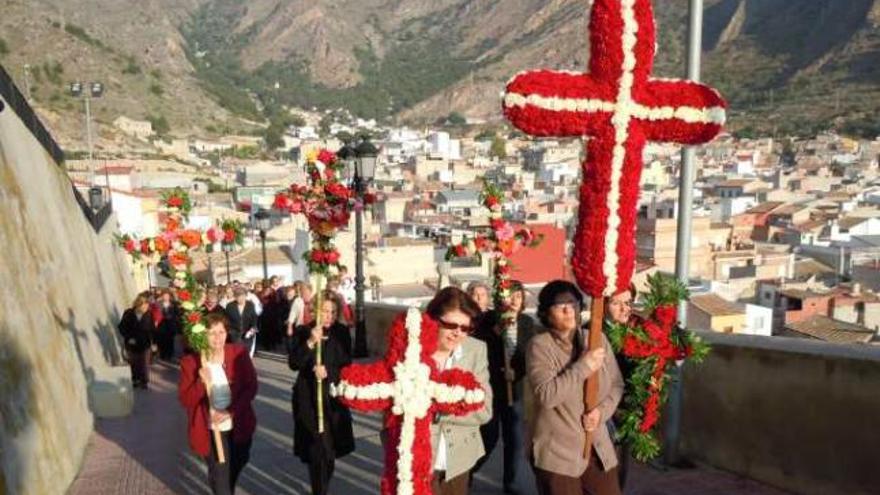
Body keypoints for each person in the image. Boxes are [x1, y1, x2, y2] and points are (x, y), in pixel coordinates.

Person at [526, 280, 624, 495]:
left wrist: (601, 413)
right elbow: (547, 396)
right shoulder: (540, 346)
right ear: (546, 313)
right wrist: (584, 366)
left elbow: (616, 385)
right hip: (559, 454)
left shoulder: (597, 340)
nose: (568, 310)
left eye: (573, 304)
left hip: (598, 448)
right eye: (560, 306)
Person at [179, 313, 258, 495]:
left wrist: (230, 412)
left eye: (221, 332)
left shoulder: (238, 353)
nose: (217, 337)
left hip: (239, 424)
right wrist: (200, 383)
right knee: (220, 478)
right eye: (212, 333)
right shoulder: (191, 362)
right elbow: (186, 400)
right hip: (211, 430)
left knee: (236, 466)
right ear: (203, 335)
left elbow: (251, 387)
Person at [425, 287, 493, 495]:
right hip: (417, 457)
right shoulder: (411, 348)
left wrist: (438, 409)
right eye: (450, 325)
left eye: (465, 328)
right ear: (435, 320)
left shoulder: (475, 350)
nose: (458, 333)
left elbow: (484, 410)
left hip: (459, 460)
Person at [471, 281, 536, 494]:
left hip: (513, 391)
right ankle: (467, 472)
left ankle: (511, 484)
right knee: (488, 437)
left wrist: (516, 372)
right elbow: (476, 347)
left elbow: (528, 356)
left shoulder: (527, 323)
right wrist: (495, 332)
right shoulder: (489, 320)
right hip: (490, 390)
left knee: (514, 441)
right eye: (511, 296)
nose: (515, 301)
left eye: (519, 297)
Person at [288, 292, 355, 495]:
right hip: (309, 399)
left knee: (330, 453)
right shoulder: (303, 332)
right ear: (316, 310)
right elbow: (294, 363)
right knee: (317, 451)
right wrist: (310, 342)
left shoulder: (341, 333)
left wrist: (328, 372)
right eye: (325, 311)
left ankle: (321, 487)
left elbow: (347, 364)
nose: (329, 316)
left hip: (332, 398)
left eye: (333, 312)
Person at [603, 286, 636, 489]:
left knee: (622, 466)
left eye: (628, 302)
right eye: (617, 303)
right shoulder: (593, 332)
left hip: (628, 409)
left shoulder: (636, 331)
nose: (625, 309)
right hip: (603, 411)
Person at [118, 293, 156, 389]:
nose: (147, 307)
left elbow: (152, 329)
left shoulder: (149, 314)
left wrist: (154, 343)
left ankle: (144, 381)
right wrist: (129, 337)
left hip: (145, 343)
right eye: (145, 305)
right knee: (134, 363)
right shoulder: (128, 313)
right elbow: (121, 327)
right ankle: (135, 379)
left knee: (145, 363)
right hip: (132, 343)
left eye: (148, 305)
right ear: (139, 304)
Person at [225, 288, 259, 355]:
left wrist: (252, 328)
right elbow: (226, 320)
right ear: (235, 297)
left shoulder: (250, 305)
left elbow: (254, 318)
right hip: (234, 334)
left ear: (246, 296)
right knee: (235, 353)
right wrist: (230, 331)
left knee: (246, 353)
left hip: (248, 334)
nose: (240, 299)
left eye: (242, 297)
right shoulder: (230, 306)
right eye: (237, 297)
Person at [157, 289, 182, 361]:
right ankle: (163, 355)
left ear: (169, 296)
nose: (166, 297)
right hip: (161, 324)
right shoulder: (158, 304)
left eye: (167, 295)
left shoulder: (173, 304)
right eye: (164, 295)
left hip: (171, 324)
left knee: (170, 340)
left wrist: (174, 318)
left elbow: (177, 313)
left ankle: (170, 355)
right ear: (162, 296)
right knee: (162, 339)